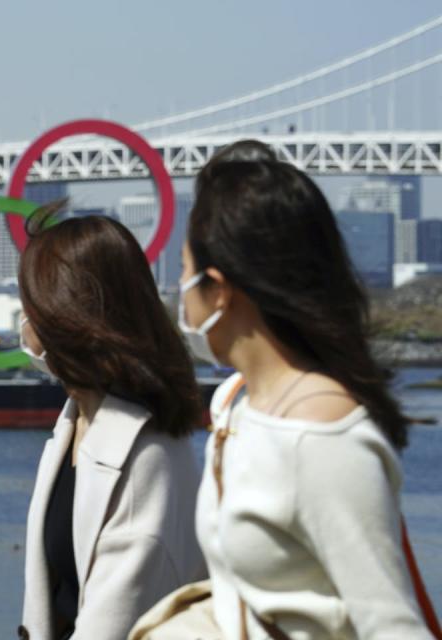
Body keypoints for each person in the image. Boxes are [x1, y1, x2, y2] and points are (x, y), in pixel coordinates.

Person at [178, 141, 434, 638]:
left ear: (219, 288)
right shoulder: (235, 406)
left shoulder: (322, 439)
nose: (179, 294)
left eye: (185, 274)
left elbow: (394, 627)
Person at [18, 205, 207, 640]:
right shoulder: (75, 426)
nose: (23, 324)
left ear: (58, 315)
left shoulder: (145, 457)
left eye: (28, 304)